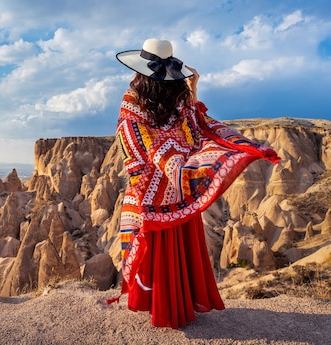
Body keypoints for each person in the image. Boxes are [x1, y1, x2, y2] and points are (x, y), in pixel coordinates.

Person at [112, 38, 280, 328]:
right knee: (178, 248)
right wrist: (192, 91)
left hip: (152, 188)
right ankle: (179, 305)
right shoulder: (180, 99)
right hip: (180, 189)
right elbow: (197, 129)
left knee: (156, 249)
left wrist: (164, 167)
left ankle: (160, 307)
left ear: (140, 71)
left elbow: (134, 143)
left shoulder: (132, 102)